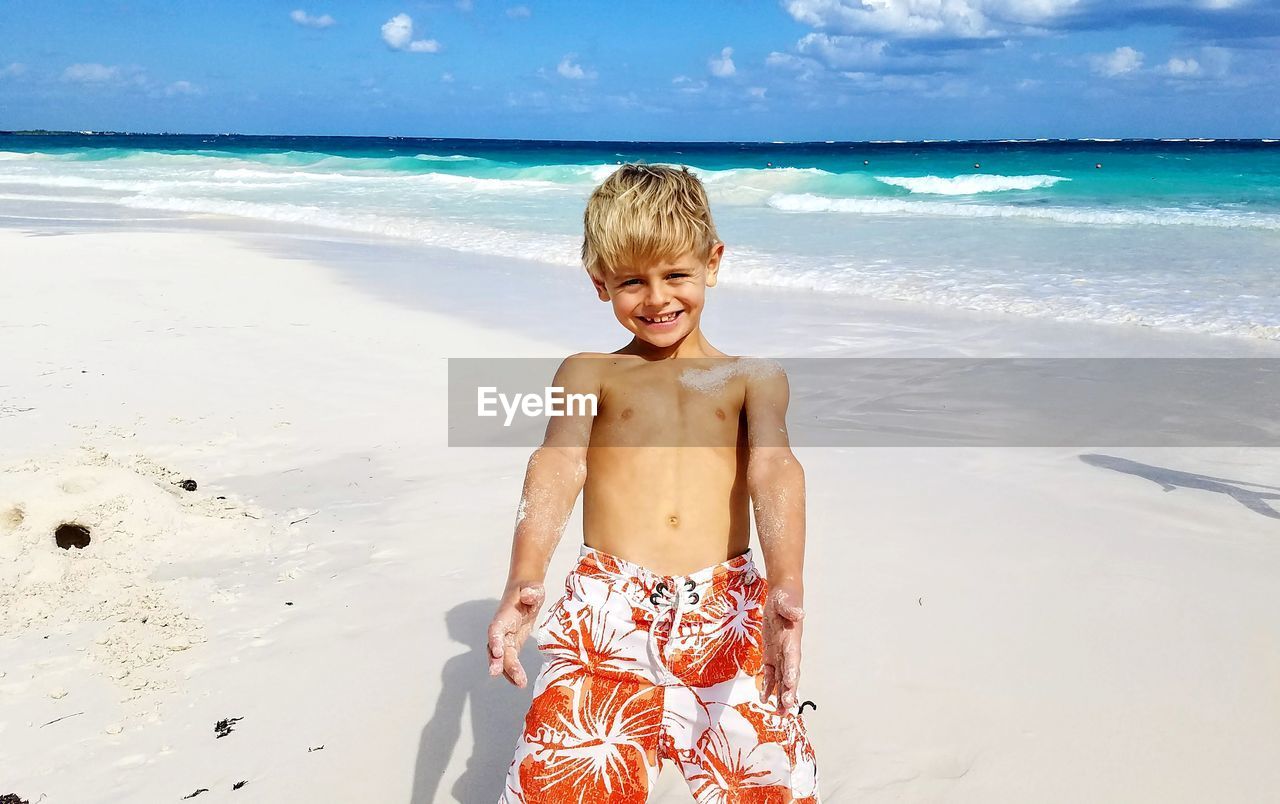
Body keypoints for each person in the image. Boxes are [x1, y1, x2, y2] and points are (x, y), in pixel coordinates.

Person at [488, 163, 819, 802]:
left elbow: (774, 468)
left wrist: (787, 585)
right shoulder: (590, 374)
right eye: (632, 282)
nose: (657, 297)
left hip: (726, 607)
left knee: (764, 778)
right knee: (565, 779)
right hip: (608, 605)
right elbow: (558, 462)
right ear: (600, 283)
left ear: (713, 262)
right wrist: (525, 576)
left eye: (676, 275)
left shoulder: (754, 377)